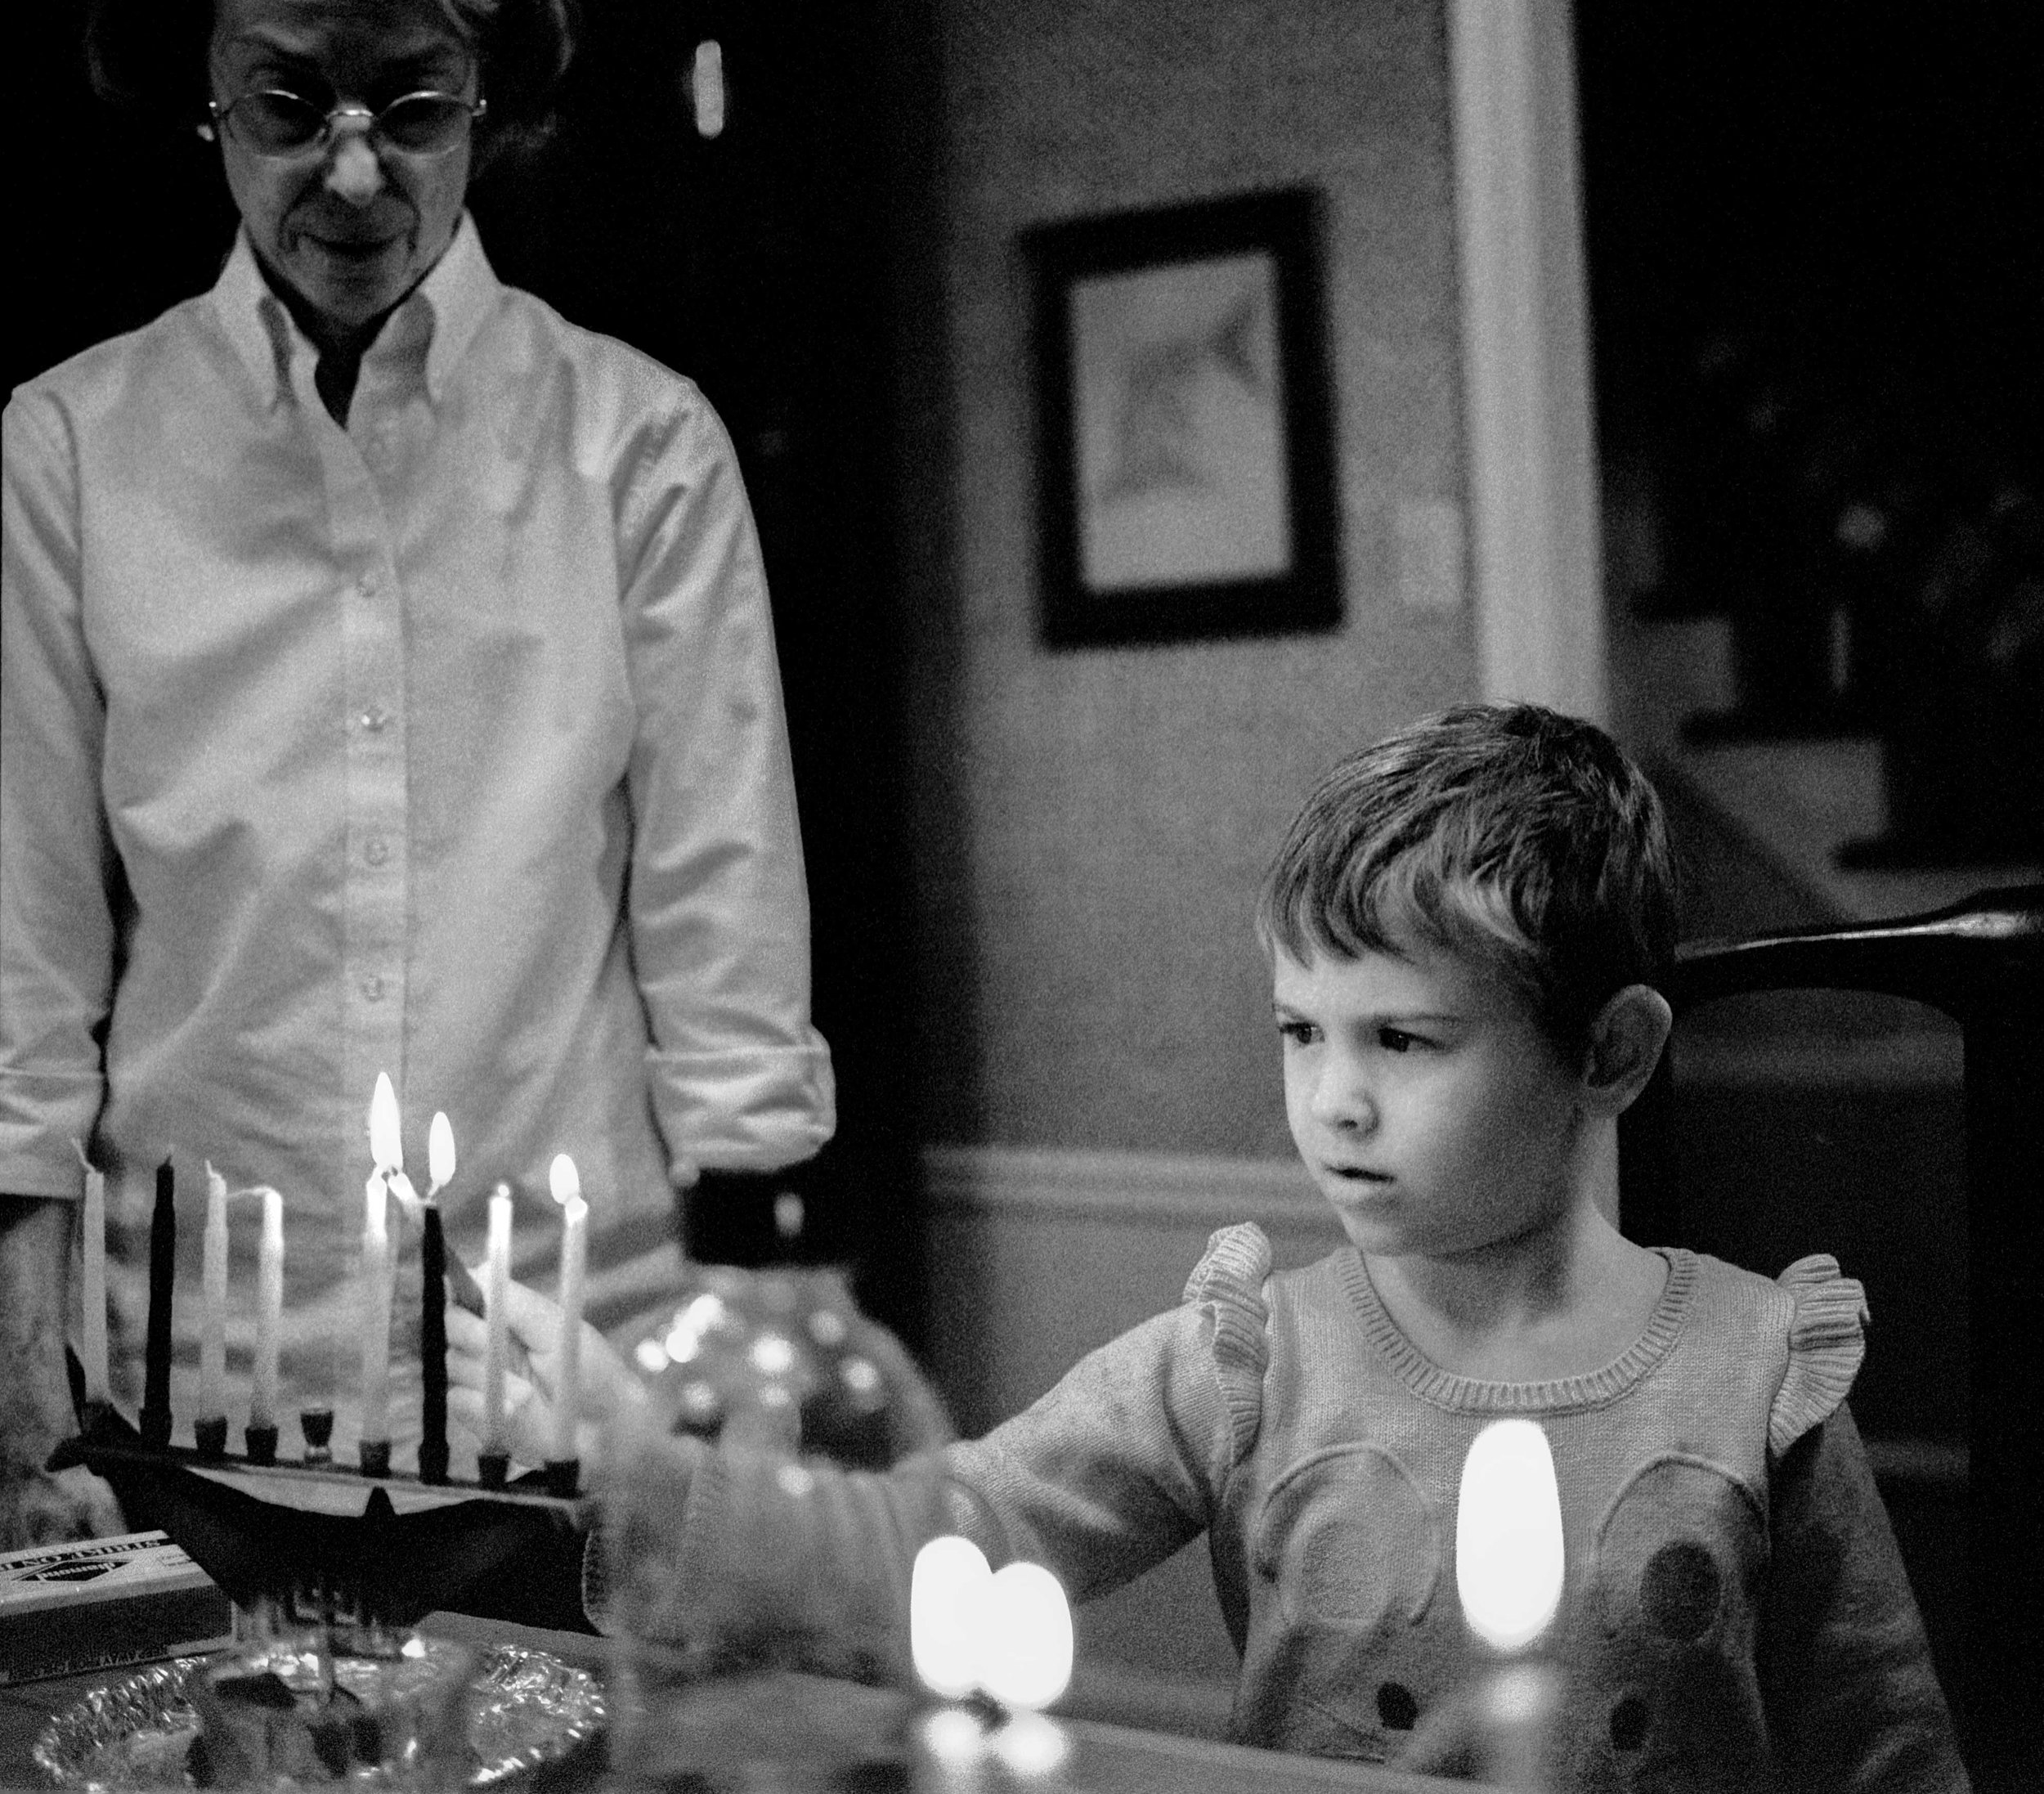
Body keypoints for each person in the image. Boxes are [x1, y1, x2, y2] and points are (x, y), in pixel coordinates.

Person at [451, 705, 1967, 1789]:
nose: (1334, 1098)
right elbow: (949, 1536)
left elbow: (1884, 1736)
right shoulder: (1247, 1357)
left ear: (1613, 1054)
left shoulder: (1757, 1368)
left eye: (1408, 1039)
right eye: (1301, 1031)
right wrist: (642, 1461)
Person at [0, 0, 833, 1547]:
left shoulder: (640, 445)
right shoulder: (66, 450)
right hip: (184, 1396)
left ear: (490, 99)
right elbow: (25, 946)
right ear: (204, 98)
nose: (357, 172)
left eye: (415, 105)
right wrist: (15, 1351)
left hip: (571, 1391)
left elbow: (724, 932)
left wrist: (755, 1364)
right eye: (291, 104)